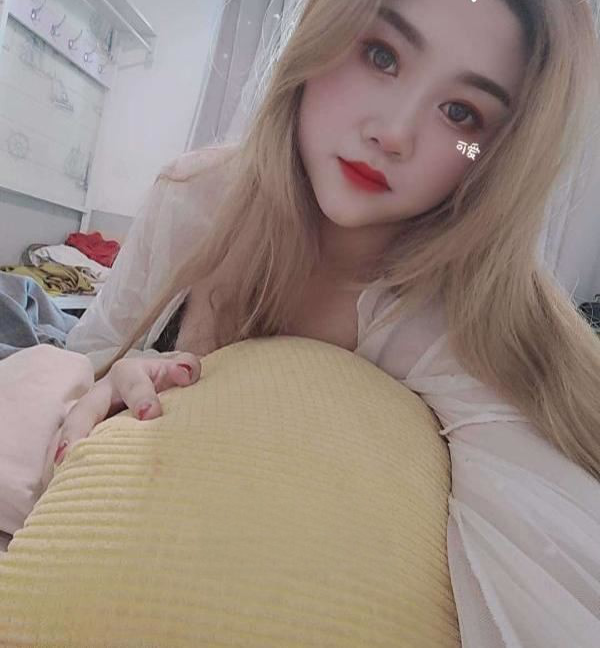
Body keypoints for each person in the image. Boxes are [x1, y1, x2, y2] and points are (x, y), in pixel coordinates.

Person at [63, 0, 600, 645]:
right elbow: (87, 356)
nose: (394, 133)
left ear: (491, 154)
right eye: (381, 55)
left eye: (462, 114)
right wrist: (110, 387)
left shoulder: (467, 328)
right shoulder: (195, 198)